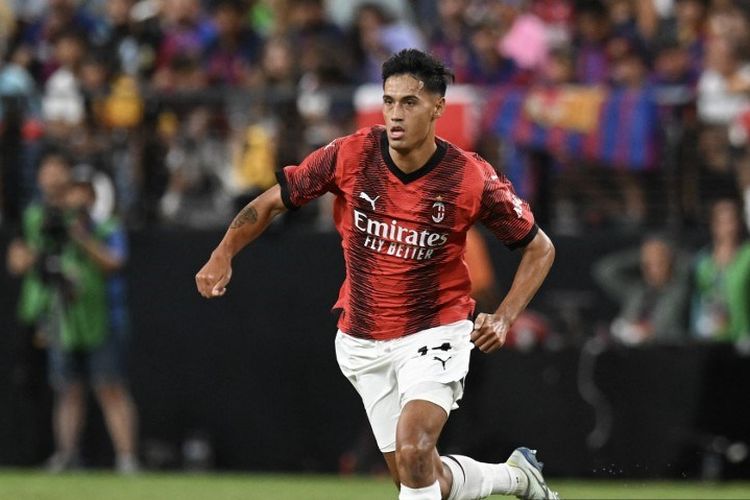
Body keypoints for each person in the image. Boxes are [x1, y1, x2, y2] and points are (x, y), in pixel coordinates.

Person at [196, 49, 557, 500]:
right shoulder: (351, 155)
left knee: (415, 448)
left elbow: (540, 248)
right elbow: (270, 202)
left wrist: (503, 316)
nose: (396, 114)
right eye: (389, 101)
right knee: (419, 475)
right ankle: (516, 478)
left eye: (409, 102)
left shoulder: (469, 178)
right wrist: (223, 251)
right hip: (362, 341)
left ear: (437, 108)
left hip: (435, 331)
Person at [7, 155, 139, 473]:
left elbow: (114, 263)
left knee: (109, 385)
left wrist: (79, 235)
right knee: (68, 389)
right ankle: (66, 455)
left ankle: (127, 458)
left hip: (102, 317)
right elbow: (19, 262)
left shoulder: (102, 225)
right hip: (63, 318)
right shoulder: (40, 221)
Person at [593, 233, 691, 345]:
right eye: (647, 264)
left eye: (659, 262)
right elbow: (604, 271)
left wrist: (660, 251)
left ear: (670, 261)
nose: (652, 269)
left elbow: (688, 263)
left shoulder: (678, 289)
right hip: (628, 351)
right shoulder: (636, 291)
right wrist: (644, 253)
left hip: (662, 352)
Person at [691, 198, 750, 342]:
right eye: (723, 222)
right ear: (713, 225)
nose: (729, 227)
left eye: (732, 221)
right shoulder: (702, 262)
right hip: (711, 338)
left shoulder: (747, 255)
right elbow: (698, 302)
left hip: (743, 338)